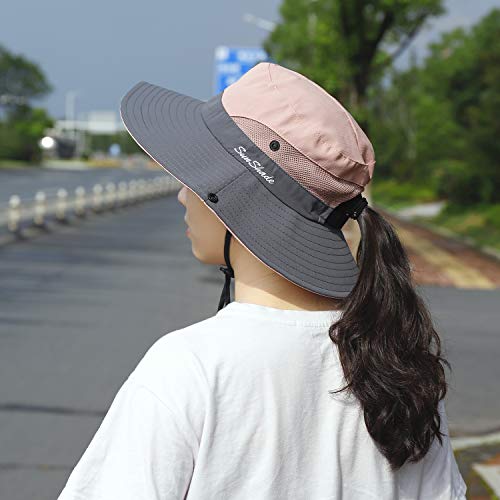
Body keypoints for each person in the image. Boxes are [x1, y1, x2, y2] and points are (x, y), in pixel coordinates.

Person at [57, 62, 467, 499]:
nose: (182, 193)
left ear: (235, 197)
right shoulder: (398, 369)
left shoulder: (191, 367)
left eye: (195, 177)